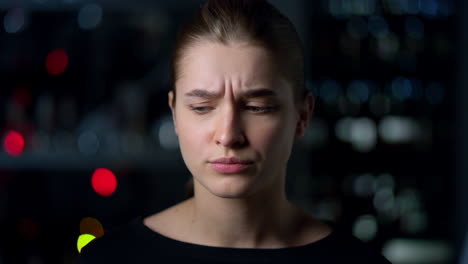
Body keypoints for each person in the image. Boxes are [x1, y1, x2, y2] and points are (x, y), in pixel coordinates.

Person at [79, 0, 391, 263]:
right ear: (175, 113)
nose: (228, 136)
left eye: (257, 107)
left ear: (302, 115)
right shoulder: (110, 258)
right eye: (202, 108)